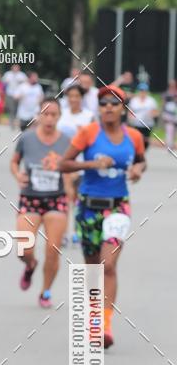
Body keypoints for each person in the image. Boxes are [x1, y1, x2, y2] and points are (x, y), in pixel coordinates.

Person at [60, 85, 146, 348]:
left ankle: (104, 325)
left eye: (114, 103)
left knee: (108, 264)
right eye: (104, 103)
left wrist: (137, 171)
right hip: (88, 207)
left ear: (123, 109)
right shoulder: (88, 133)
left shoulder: (134, 136)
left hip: (118, 206)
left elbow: (141, 160)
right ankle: (95, 316)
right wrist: (91, 164)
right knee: (93, 269)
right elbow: (65, 164)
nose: (108, 107)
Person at [10, 98, 72, 307]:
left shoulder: (66, 141)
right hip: (30, 198)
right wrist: (18, 175)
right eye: (45, 114)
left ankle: (45, 291)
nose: (49, 118)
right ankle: (30, 265)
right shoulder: (26, 138)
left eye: (53, 114)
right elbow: (14, 161)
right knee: (24, 249)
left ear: (59, 117)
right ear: (38, 115)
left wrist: (70, 197)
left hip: (57, 199)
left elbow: (70, 172)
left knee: (53, 250)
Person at [58, 85, 94, 244]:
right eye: (70, 96)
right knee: (66, 198)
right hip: (61, 162)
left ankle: (79, 232)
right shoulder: (61, 114)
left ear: (82, 98)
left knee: (79, 200)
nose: (73, 99)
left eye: (76, 96)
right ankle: (65, 233)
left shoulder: (88, 116)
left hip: (81, 165)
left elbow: (93, 141)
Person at [127, 83, 159, 151]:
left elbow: (155, 112)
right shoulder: (134, 100)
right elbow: (130, 111)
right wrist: (130, 118)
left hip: (147, 124)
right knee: (137, 138)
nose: (142, 92)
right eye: (141, 90)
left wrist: (151, 115)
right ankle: (138, 151)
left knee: (145, 140)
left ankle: (143, 150)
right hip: (136, 124)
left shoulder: (151, 101)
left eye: (144, 90)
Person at [2, 63, 27, 130]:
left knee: (18, 109)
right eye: (14, 67)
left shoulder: (22, 75)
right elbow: (3, 83)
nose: (15, 69)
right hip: (10, 94)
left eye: (17, 68)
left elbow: (26, 83)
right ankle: (11, 124)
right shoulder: (8, 74)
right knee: (11, 109)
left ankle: (19, 124)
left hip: (19, 94)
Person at [161, 79, 177, 150]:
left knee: (174, 132)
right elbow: (163, 104)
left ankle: (172, 143)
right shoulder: (166, 94)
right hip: (168, 114)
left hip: (175, 114)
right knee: (169, 130)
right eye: (171, 85)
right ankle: (169, 146)